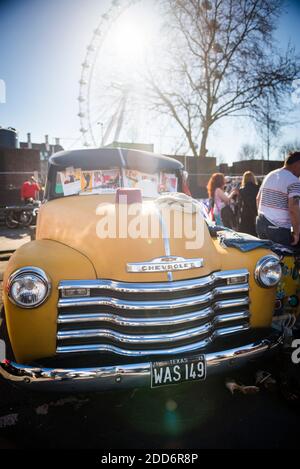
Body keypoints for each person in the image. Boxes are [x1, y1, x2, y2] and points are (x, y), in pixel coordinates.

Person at [256, 151, 300, 246]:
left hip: (261, 223)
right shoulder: (294, 180)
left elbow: (258, 199)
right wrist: (296, 233)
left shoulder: (270, 175)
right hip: (278, 229)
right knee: (282, 259)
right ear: (297, 164)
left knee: (267, 257)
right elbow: (293, 208)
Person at [237, 171, 259, 236]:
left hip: (245, 214)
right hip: (255, 214)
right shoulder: (257, 188)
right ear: (253, 178)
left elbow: (239, 204)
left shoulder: (241, 190)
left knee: (244, 235)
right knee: (254, 235)